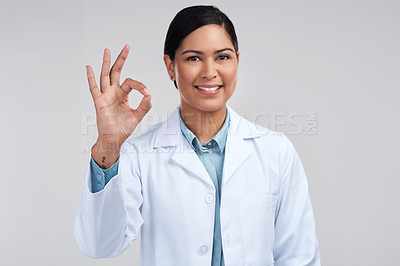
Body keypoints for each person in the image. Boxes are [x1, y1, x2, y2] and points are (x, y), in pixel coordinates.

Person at [74, 5, 321, 266]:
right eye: (193, 58)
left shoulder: (276, 151)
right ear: (170, 66)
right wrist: (108, 146)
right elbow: (98, 244)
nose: (209, 71)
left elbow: (299, 258)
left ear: (237, 60)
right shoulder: (139, 155)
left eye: (222, 57)